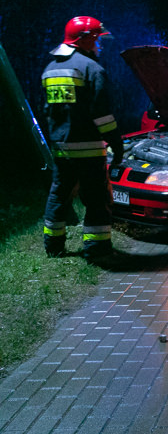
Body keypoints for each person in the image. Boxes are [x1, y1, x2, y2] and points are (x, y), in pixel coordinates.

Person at [41, 16, 124, 257]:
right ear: (85, 39)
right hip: (88, 149)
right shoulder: (92, 69)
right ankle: (96, 249)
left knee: (59, 195)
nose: (99, 44)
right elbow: (103, 116)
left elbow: (45, 110)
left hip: (60, 148)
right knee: (97, 199)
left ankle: (54, 247)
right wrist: (117, 145)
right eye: (97, 39)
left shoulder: (50, 69)